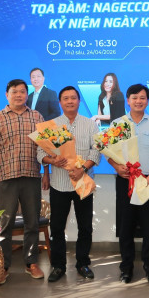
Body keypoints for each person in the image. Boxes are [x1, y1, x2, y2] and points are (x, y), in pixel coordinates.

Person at [37, 86, 101, 282]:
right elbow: (40, 153)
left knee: (85, 227)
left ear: (79, 101)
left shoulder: (90, 124)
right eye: (66, 98)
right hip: (60, 184)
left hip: (83, 181)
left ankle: (83, 263)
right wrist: (52, 160)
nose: (70, 101)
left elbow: (96, 150)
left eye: (73, 98)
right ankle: (58, 266)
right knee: (57, 228)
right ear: (60, 102)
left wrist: (84, 168)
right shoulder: (53, 125)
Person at [0, 78, 45, 282]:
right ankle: (3, 266)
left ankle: (31, 263)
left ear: (27, 95)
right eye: (14, 91)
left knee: (32, 222)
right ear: (7, 95)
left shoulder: (36, 116)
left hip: (31, 176)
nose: (18, 95)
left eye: (22, 91)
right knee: (4, 225)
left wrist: (46, 173)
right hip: (5, 178)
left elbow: (45, 148)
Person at [107, 84, 149, 284]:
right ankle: (126, 269)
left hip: (148, 180)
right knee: (126, 227)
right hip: (125, 181)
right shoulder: (118, 123)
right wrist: (117, 167)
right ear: (128, 100)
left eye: (142, 98)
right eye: (134, 98)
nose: (138, 101)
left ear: (147, 101)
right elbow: (108, 152)